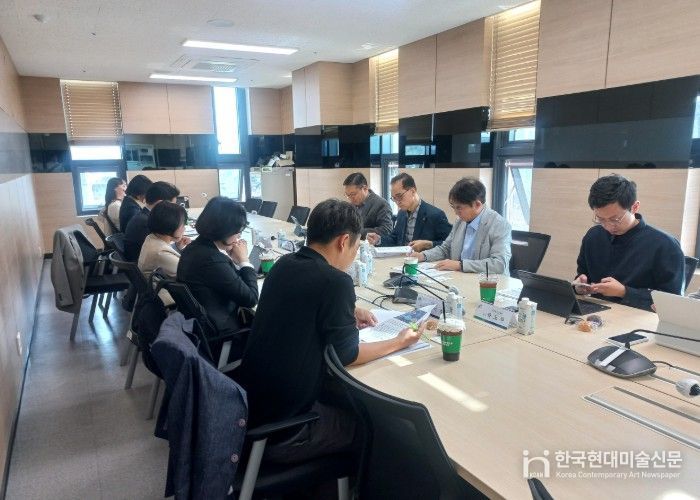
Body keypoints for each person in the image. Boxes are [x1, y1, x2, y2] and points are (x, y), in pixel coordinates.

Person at [238, 199, 424, 464]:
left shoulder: (284, 264)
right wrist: (399, 341)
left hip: (251, 407)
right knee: (375, 428)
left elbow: (304, 302)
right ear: (343, 241)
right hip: (284, 430)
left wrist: (350, 310)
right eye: (356, 248)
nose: (354, 255)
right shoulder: (336, 282)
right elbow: (347, 354)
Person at [575, 174, 685, 311]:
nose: (608, 226)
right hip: (596, 314)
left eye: (614, 219)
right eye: (600, 219)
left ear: (634, 207)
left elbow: (673, 301)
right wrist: (580, 286)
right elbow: (582, 274)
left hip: (640, 318)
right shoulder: (593, 236)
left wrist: (624, 292)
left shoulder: (665, 245)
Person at [177, 197, 259, 355]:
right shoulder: (212, 260)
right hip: (223, 339)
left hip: (200, 331)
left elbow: (226, 280)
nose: (238, 237)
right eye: (237, 232)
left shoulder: (194, 248)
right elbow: (251, 299)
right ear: (224, 231)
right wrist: (244, 261)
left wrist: (235, 262)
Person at [411, 177, 511, 273]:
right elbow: (446, 249)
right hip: (460, 277)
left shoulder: (499, 225)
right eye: (453, 207)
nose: (455, 212)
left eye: (459, 208)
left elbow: (499, 264)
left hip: (488, 282)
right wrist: (423, 256)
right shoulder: (460, 221)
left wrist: (461, 265)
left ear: (477, 204)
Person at [366, 173, 451, 251]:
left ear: (413, 191)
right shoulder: (401, 214)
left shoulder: (435, 215)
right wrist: (379, 240)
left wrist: (429, 244)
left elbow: (449, 245)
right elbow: (395, 239)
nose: (397, 202)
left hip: (423, 260)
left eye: (399, 196)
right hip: (402, 258)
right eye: (394, 198)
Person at [137, 201, 188, 306]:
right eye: (182, 224)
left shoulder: (151, 238)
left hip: (158, 293)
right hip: (170, 301)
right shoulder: (161, 253)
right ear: (170, 225)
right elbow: (191, 273)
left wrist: (178, 247)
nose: (184, 228)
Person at [123, 181, 185, 262]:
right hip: (142, 265)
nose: (174, 211)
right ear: (160, 203)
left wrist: (176, 244)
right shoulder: (147, 223)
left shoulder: (143, 216)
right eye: (172, 205)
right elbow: (160, 254)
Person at [343, 172, 393, 237]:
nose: (350, 198)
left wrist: (356, 233)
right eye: (348, 195)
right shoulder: (352, 205)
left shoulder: (381, 204)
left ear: (365, 188)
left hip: (369, 243)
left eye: (353, 194)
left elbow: (386, 230)